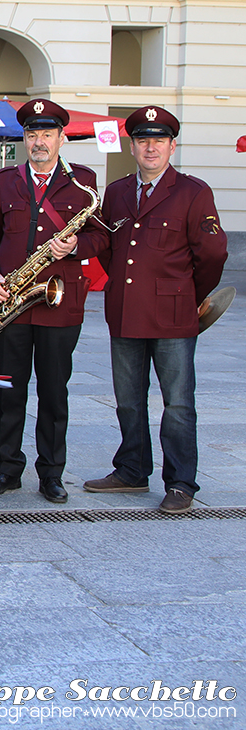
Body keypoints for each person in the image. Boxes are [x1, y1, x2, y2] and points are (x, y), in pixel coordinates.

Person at [80, 107, 227, 514]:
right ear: (132, 145)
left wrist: (188, 292)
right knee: (128, 399)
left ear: (172, 145)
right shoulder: (119, 191)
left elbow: (213, 252)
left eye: (158, 140)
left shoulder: (193, 192)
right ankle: (132, 469)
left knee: (177, 402)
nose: (150, 147)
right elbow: (110, 247)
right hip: (126, 310)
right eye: (143, 140)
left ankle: (180, 482)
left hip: (174, 315)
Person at [0, 99, 97, 504]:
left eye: (47, 134)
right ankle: (7, 468)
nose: (39, 141)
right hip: (13, 302)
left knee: (54, 391)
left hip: (59, 303)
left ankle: (51, 473)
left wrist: (78, 244)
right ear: (24, 139)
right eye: (32, 134)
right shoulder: (6, 180)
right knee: (11, 390)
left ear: (62, 138)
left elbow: (104, 237)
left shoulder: (83, 180)